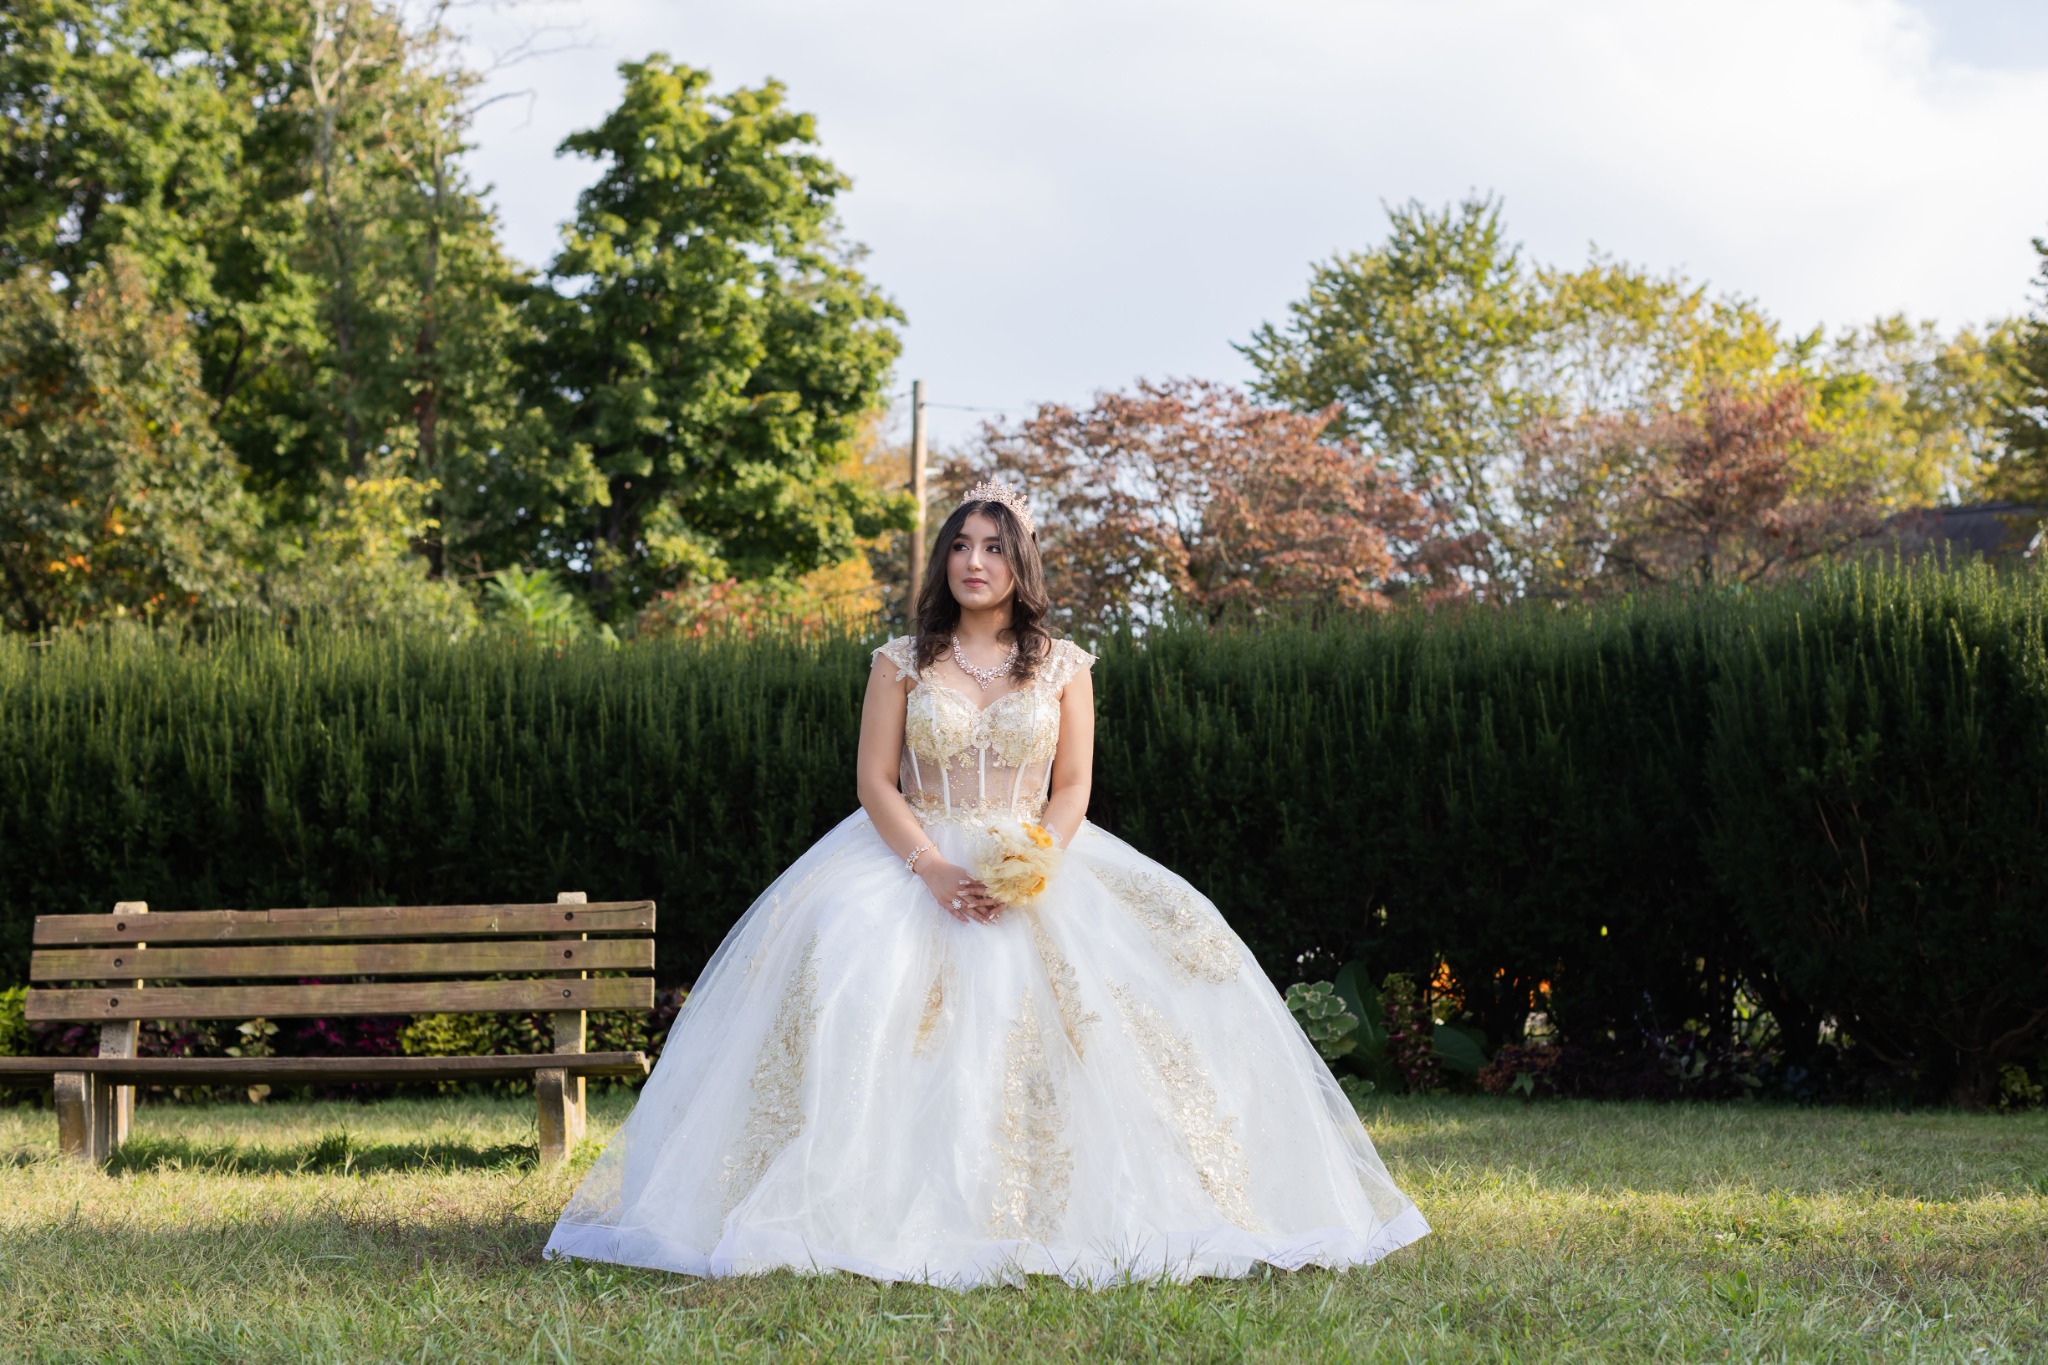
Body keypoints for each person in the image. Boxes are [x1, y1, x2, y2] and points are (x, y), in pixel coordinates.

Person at [545, 482, 1428, 1287]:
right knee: (852, 979)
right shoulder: (899, 661)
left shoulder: (1064, 665)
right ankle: (852, 1197)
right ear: (943, 560)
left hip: (1036, 856)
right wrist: (929, 866)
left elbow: (1074, 784)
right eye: (961, 545)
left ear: (1021, 562)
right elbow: (875, 783)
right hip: (906, 860)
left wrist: (1037, 860)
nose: (974, 561)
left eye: (994, 547)